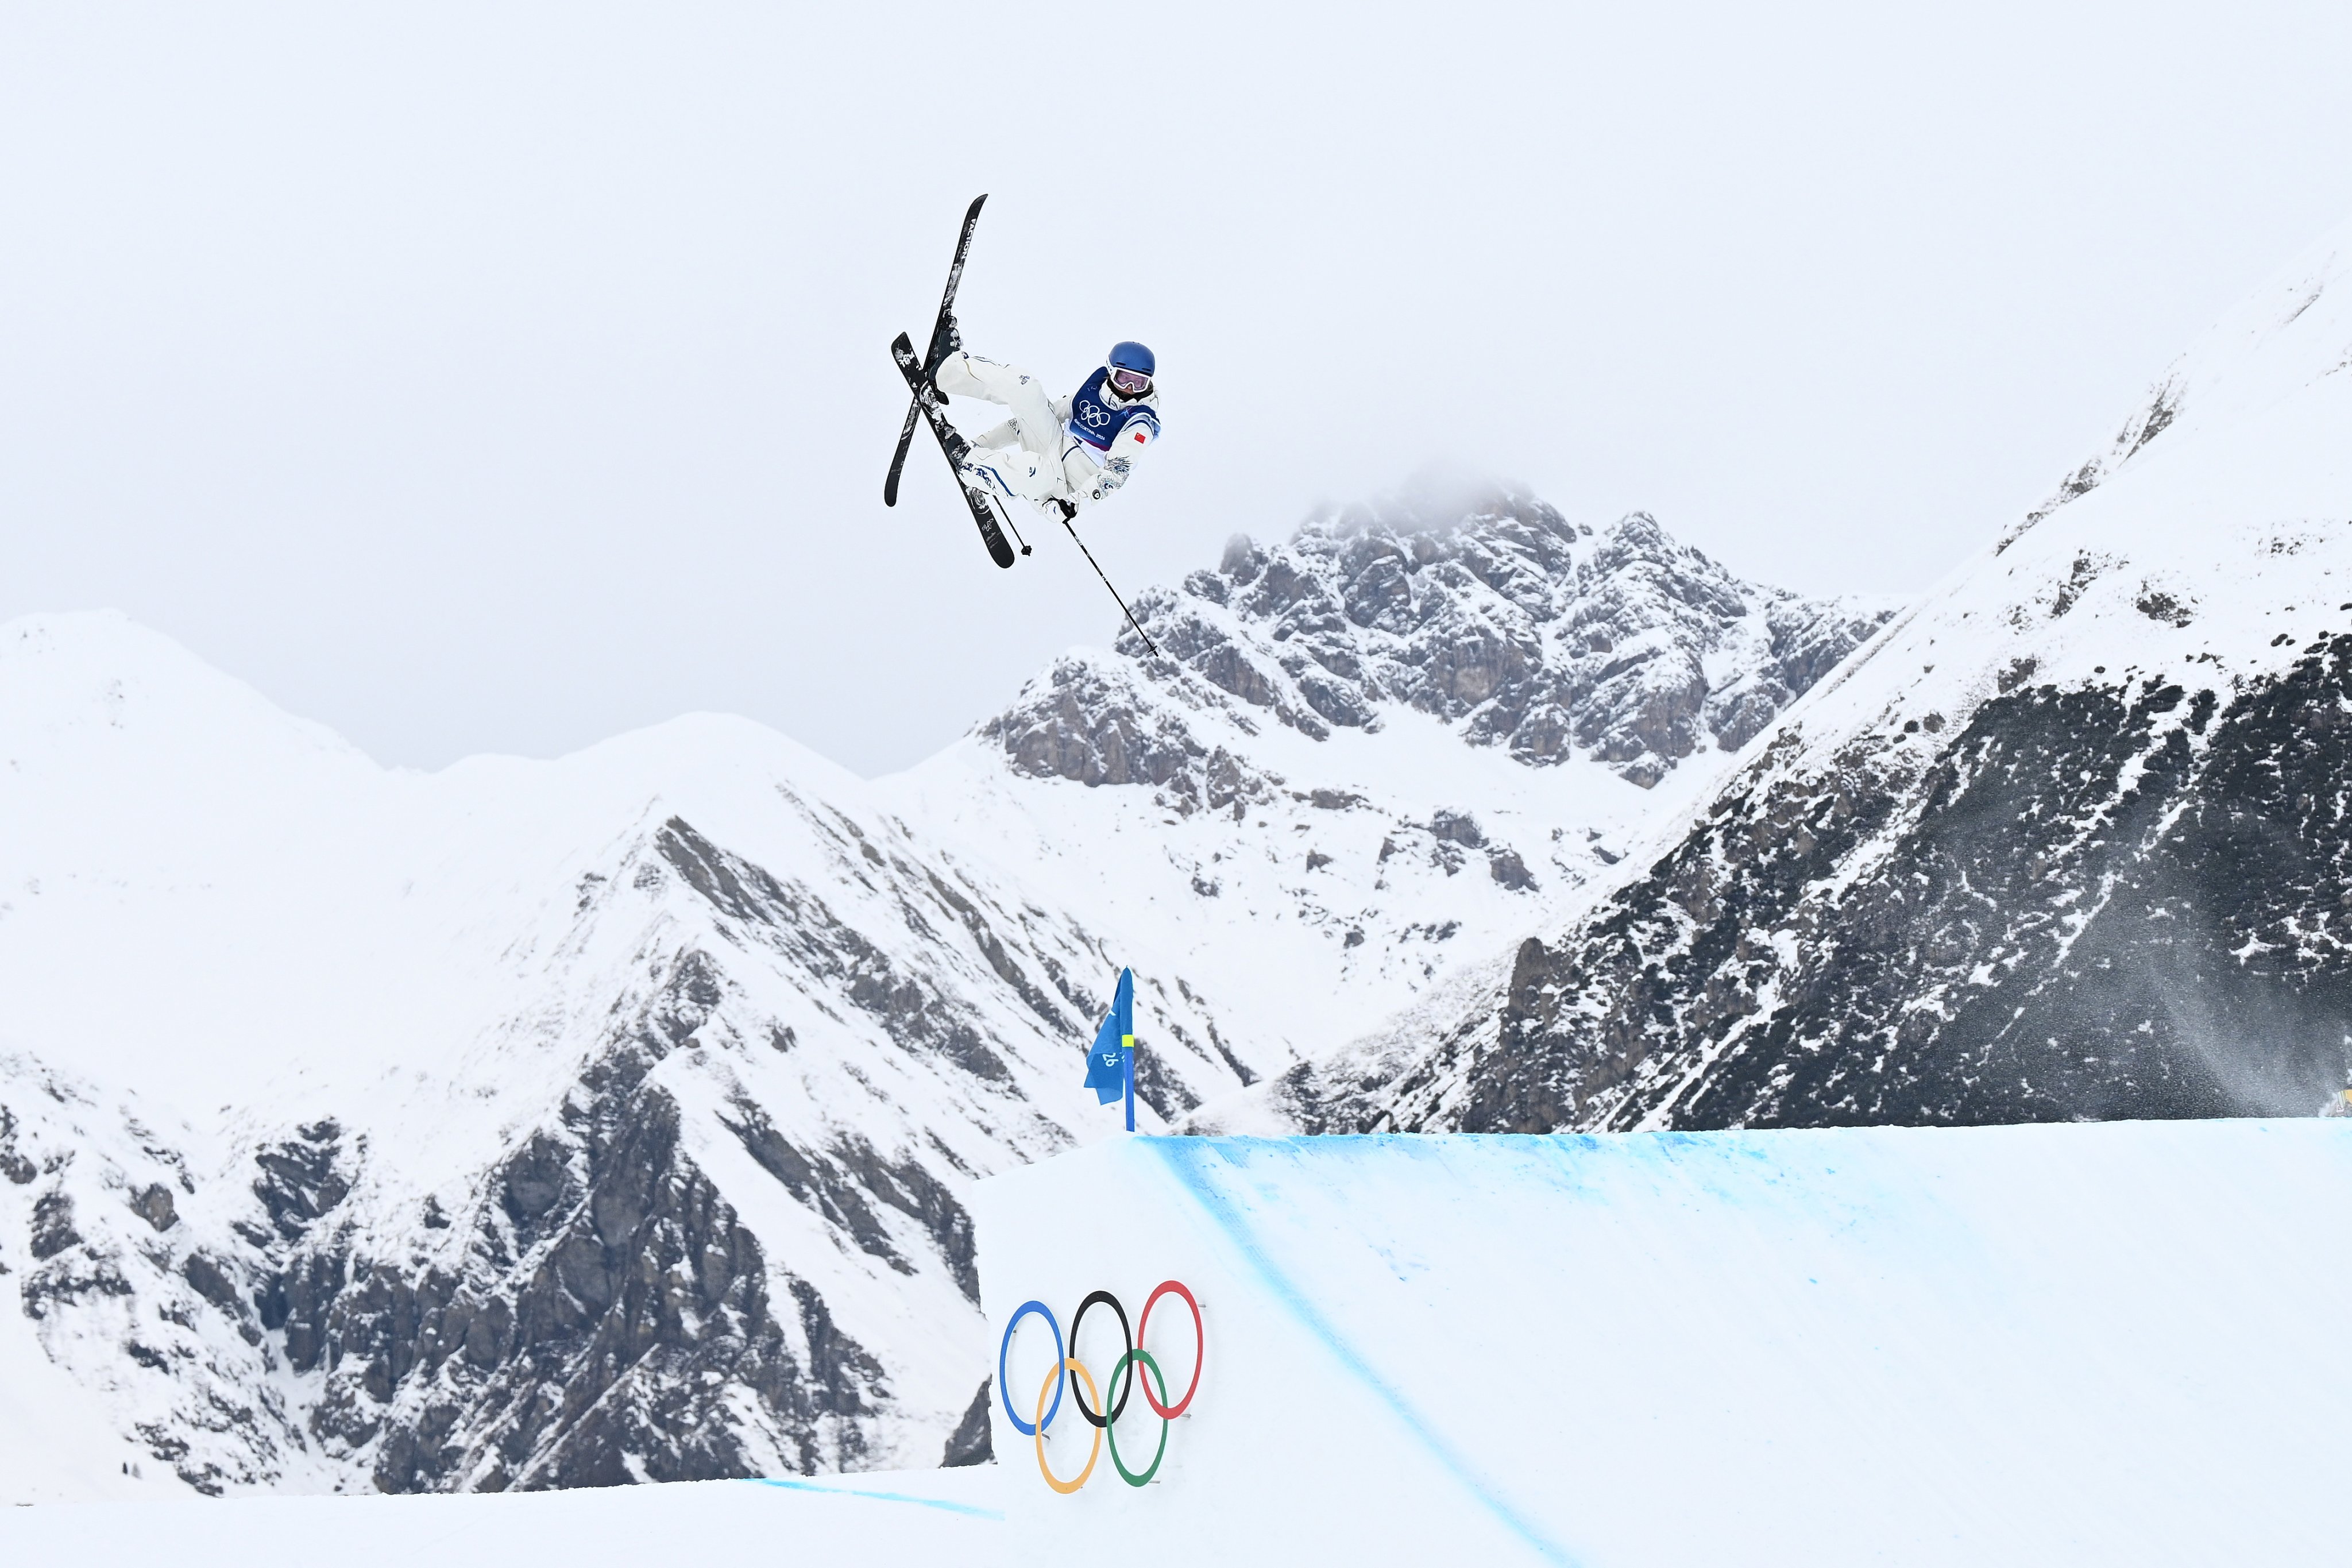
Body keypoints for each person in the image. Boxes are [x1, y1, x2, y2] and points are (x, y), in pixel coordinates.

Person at [931, 339, 1160, 517]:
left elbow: (1117, 472)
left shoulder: (1140, 422)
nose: (1130, 388)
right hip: (1054, 444)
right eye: (1123, 378)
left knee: (1034, 470)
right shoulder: (1094, 392)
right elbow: (1033, 417)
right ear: (1111, 372)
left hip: (1062, 487)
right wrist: (983, 442)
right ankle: (948, 371)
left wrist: (1075, 504)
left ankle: (970, 464)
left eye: (1139, 382)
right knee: (1027, 389)